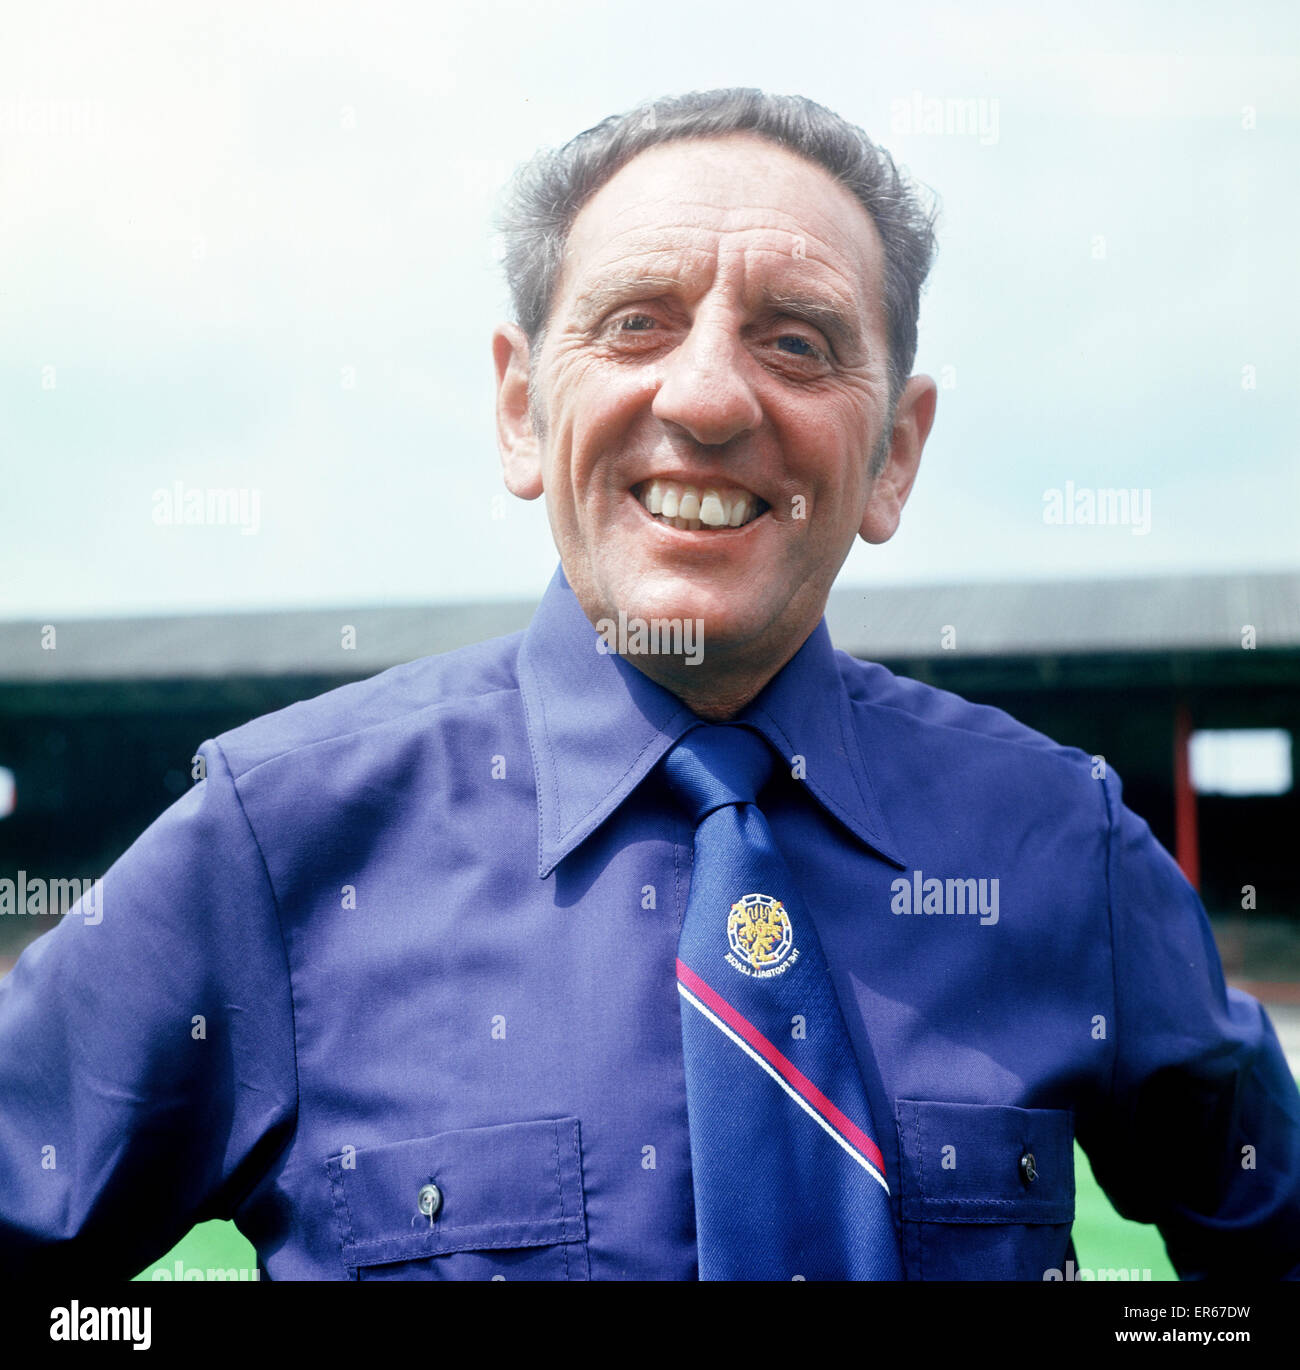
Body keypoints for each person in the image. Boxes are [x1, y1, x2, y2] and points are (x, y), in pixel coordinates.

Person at [2, 88, 1297, 1281]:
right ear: (520, 408)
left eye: (796, 341)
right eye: (637, 323)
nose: (711, 393)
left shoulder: (1061, 842)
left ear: (896, 452)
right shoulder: (273, 844)